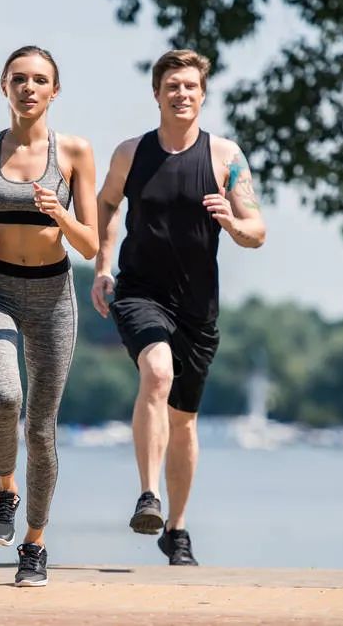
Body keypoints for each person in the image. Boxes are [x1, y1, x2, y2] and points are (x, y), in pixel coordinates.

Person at [90, 49, 266, 566]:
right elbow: (105, 204)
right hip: (140, 291)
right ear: (157, 94)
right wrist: (103, 266)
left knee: (185, 421)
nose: (182, 94)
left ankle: (177, 529)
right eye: (172, 86)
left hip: (197, 306)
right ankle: (149, 496)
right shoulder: (131, 154)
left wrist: (232, 225)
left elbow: (257, 229)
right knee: (157, 372)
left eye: (190, 86)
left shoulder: (225, 158)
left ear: (203, 94)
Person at [0, 45, 98, 586]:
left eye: (40, 80)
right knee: (7, 396)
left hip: (53, 298)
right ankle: (5, 488)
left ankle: (34, 546)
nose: (29, 88)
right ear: (4, 86)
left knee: (41, 429)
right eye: (20, 79)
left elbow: (89, 244)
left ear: (54, 91)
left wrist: (60, 211)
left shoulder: (76, 152)